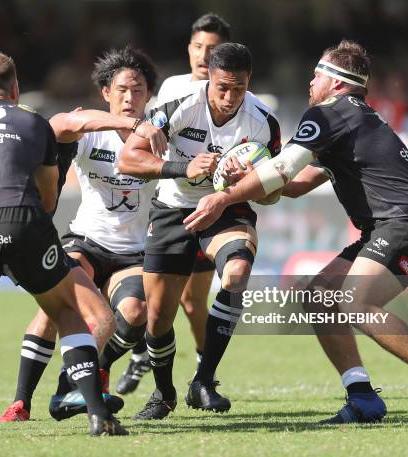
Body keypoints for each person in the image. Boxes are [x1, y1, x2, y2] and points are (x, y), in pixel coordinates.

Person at [183, 40, 408, 423]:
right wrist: (252, 177)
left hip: (406, 225)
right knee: (319, 296)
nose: (311, 81)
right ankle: (362, 397)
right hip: (395, 226)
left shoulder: (329, 114)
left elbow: (282, 171)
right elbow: (296, 184)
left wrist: (224, 197)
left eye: (318, 74)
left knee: (355, 302)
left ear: (336, 83)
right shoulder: (354, 118)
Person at [0, 50, 127, 436]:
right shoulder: (31, 121)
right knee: (67, 310)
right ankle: (96, 414)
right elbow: (49, 195)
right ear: (16, 88)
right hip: (23, 221)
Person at [0, 46, 168, 423]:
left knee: (136, 314)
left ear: (149, 95)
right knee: (51, 310)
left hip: (133, 254)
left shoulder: (161, 133)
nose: (129, 97)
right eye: (121, 89)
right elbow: (58, 125)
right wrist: (127, 124)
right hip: (85, 243)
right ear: (106, 93)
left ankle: (81, 377)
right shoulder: (94, 132)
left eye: (138, 90)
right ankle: (20, 402)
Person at [118, 42, 281, 419]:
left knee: (237, 272)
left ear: (248, 81)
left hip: (227, 208)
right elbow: (129, 157)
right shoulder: (180, 106)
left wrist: (252, 182)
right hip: (174, 208)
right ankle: (164, 393)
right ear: (209, 76)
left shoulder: (263, 122)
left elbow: (274, 194)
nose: (229, 97)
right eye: (222, 87)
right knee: (157, 317)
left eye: (238, 88)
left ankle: (203, 381)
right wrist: (181, 169)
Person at [117, 12, 231, 396]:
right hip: (163, 205)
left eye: (212, 49)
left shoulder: (234, 96)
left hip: (206, 211)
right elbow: (146, 141)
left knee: (193, 303)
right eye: (198, 47)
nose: (203, 55)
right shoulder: (171, 89)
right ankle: (142, 357)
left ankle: (204, 373)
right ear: (188, 49)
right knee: (153, 301)